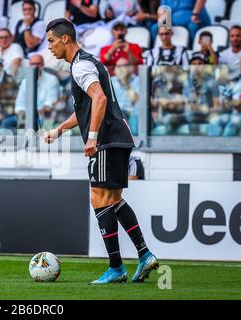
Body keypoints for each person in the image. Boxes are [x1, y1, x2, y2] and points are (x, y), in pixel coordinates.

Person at [44, 18, 158, 284]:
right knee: (113, 199)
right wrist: (59, 130)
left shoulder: (80, 65)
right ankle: (144, 255)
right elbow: (85, 108)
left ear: (64, 39)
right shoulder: (87, 61)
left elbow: (99, 98)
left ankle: (116, 267)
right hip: (119, 138)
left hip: (106, 140)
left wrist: (92, 137)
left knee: (98, 199)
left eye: (50, 41)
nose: (48, 47)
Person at [2, 54, 61, 131]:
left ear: (43, 65)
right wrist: (22, 113)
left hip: (43, 116)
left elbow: (50, 103)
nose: (35, 66)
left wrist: (34, 113)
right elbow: (20, 103)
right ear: (29, 66)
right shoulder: (25, 82)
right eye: (33, 64)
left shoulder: (52, 79)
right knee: (6, 124)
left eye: (38, 64)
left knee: (34, 125)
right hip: (26, 115)